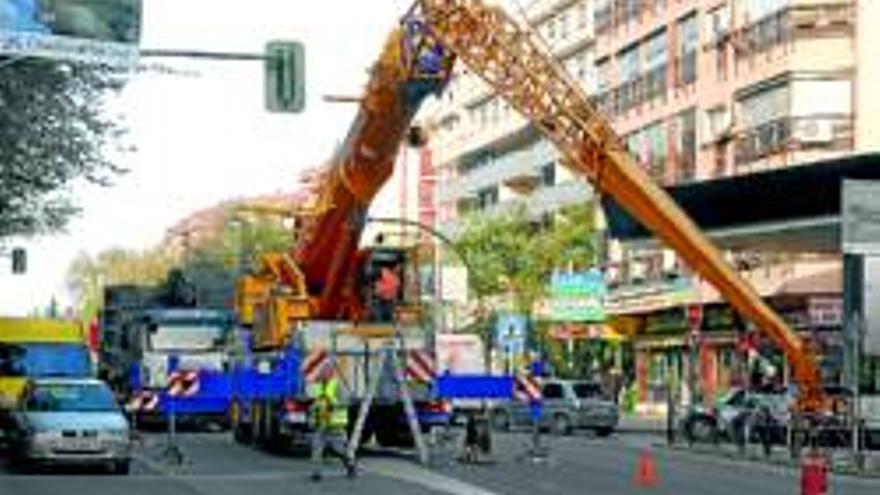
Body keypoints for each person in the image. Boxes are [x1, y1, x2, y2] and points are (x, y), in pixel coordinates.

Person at [309, 364, 355, 481]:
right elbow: (316, 402)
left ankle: (349, 464)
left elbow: (346, 402)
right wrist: (312, 412)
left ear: (331, 373)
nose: (323, 374)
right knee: (316, 448)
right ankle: (316, 473)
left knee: (339, 449)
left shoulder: (337, 386)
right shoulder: (318, 387)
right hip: (321, 424)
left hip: (335, 425)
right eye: (322, 372)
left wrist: (333, 405)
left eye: (325, 372)